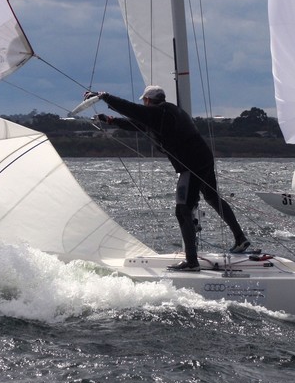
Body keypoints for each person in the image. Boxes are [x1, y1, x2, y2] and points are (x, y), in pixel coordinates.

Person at [87, 86, 250, 271]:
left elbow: (131, 110)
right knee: (212, 198)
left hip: (190, 164)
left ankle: (191, 262)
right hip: (203, 158)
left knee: (182, 210)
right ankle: (240, 238)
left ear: (148, 100)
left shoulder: (158, 112)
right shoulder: (168, 111)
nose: (143, 104)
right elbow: (138, 124)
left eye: (144, 101)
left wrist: (104, 97)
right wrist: (109, 120)